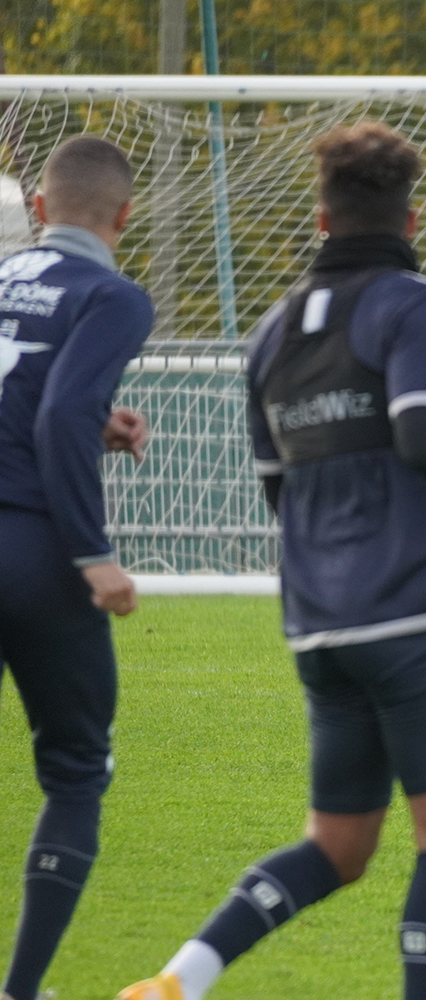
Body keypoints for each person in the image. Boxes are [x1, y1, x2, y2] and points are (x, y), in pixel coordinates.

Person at [117, 120, 426, 1000]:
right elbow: (422, 439)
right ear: (410, 223)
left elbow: (284, 488)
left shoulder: (270, 335)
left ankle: (179, 980)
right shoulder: (418, 303)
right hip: (414, 613)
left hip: (319, 624)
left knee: (337, 847)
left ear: (322, 220)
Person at [0, 136, 154, 1000]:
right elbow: (57, 413)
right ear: (124, 216)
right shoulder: (111, 294)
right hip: (32, 550)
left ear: (43, 210)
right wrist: (94, 557)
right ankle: (21, 991)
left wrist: (96, 419)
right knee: (73, 770)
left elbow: (38, 404)